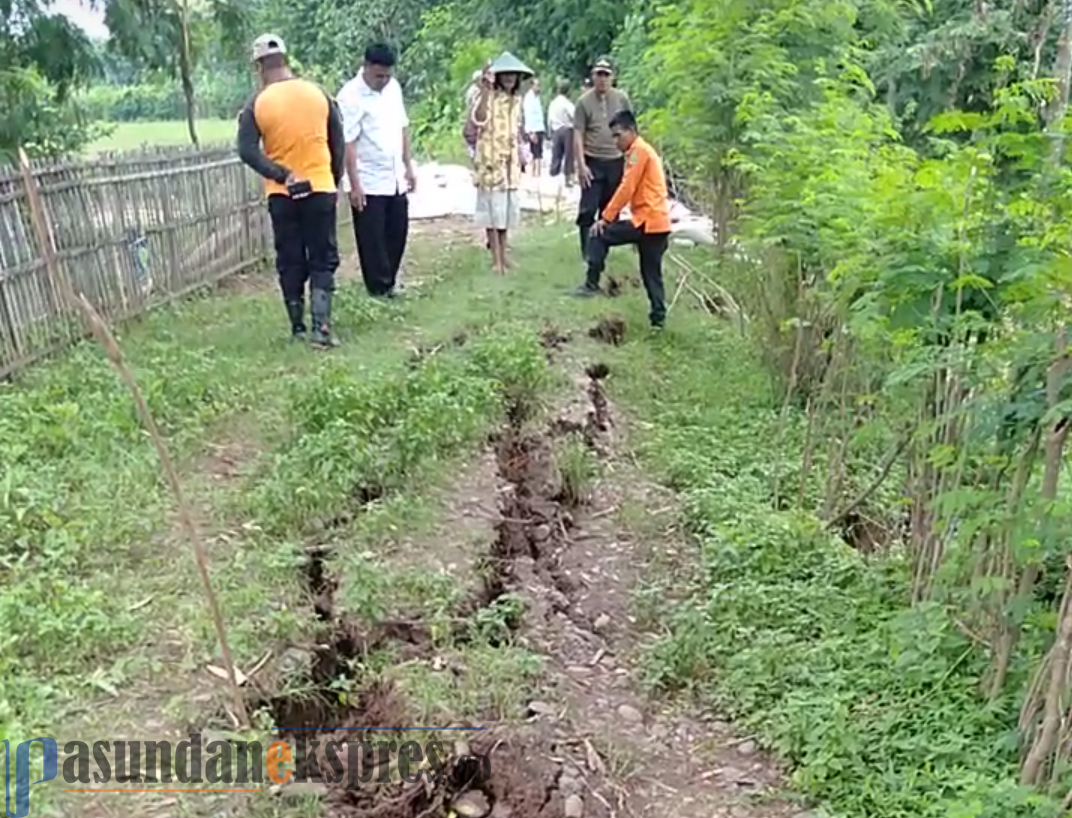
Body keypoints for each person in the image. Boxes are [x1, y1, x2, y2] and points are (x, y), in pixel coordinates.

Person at [237, 33, 345, 348]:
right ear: (286, 59)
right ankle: (321, 329)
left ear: (258, 66)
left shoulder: (256, 103)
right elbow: (337, 143)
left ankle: (297, 326)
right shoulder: (319, 94)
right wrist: (332, 181)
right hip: (321, 188)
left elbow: (246, 150)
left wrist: (281, 174)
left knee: (290, 257)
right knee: (322, 257)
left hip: (281, 194)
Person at [337, 42, 416, 300]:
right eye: (379, 75)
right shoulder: (350, 96)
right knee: (372, 237)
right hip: (368, 177)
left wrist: (408, 166)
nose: (383, 81)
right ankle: (378, 287)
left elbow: (402, 127)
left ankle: (390, 280)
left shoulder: (393, 89)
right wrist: (355, 184)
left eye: (387, 76)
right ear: (367, 67)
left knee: (398, 230)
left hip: (393, 175)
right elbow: (347, 142)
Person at [580, 109, 671, 329]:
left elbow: (626, 187)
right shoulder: (641, 151)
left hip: (646, 221)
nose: (615, 141)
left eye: (618, 135)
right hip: (658, 223)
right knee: (651, 273)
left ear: (631, 131)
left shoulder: (638, 152)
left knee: (598, 234)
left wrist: (606, 217)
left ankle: (591, 285)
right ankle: (658, 320)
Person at [470, 52, 532, 275]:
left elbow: (518, 129)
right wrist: (486, 90)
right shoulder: (486, 96)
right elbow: (478, 118)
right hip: (490, 159)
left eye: (512, 75)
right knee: (492, 212)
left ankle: (504, 256)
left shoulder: (517, 101)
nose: (509, 78)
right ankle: (495, 259)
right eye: (504, 74)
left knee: (506, 212)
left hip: (510, 161)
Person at [571, 56, 631, 277]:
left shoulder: (621, 99)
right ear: (593, 76)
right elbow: (578, 133)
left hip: (615, 159)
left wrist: (631, 159)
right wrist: (580, 164)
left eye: (606, 74)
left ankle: (601, 251)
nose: (602, 79)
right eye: (599, 74)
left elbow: (631, 127)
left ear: (612, 77)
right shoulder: (584, 102)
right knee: (588, 209)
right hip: (592, 159)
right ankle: (587, 252)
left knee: (610, 209)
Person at [547, 78, 575, 185]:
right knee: (569, 155)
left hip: (556, 130)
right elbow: (573, 115)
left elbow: (549, 119)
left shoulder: (553, 103)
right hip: (567, 130)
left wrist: (549, 133)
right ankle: (568, 178)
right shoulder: (567, 103)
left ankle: (554, 175)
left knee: (556, 154)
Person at [522, 76, 546, 177]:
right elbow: (528, 115)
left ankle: (538, 174)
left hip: (540, 127)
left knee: (539, 152)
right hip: (534, 129)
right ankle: (534, 174)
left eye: (539, 86)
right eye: (536, 85)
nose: (538, 88)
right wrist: (531, 132)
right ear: (532, 86)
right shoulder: (529, 98)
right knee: (534, 152)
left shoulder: (537, 97)